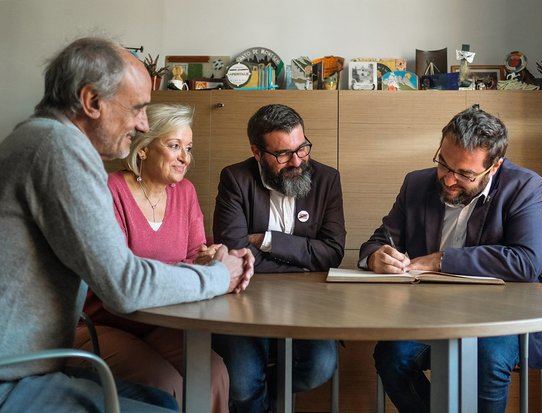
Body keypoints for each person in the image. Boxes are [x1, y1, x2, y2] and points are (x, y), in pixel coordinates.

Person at [0, 37, 253, 412]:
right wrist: (220, 275)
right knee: (163, 398)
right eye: (137, 108)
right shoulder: (59, 150)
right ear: (91, 102)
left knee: (169, 394)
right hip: (15, 380)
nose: (142, 124)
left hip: (28, 369)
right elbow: (125, 286)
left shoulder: (38, 139)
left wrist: (211, 261)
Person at [359, 105, 542, 412]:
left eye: (464, 173)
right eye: (443, 164)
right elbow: (380, 241)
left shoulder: (523, 186)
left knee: (488, 360)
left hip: (502, 317)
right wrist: (374, 258)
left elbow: (527, 261)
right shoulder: (416, 183)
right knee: (391, 356)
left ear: (495, 166)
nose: (448, 180)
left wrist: (439, 260)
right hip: (429, 313)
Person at [72, 103, 229, 411]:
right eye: (174, 146)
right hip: (106, 322)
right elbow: (119, 280)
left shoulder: (185, 192)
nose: (185, 157)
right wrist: (189, 271)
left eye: (189, 148)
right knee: (165, 384)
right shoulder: (110, 190)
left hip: (163, 321)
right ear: (143, 148)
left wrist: (210, 259)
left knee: (214, 373)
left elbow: (193, 259)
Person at [212, 103, 345, 412]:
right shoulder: (235, 178)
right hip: (243, 300)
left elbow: (332, 253)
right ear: (257, 152)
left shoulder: (327, 179)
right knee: (244, 384)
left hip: (309, 302)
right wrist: (302, 257)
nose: (297, 160)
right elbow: (234, 252)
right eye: (283, 154)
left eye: (302, 148)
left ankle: (266, 400)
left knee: (320, 367)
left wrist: (266, 240)